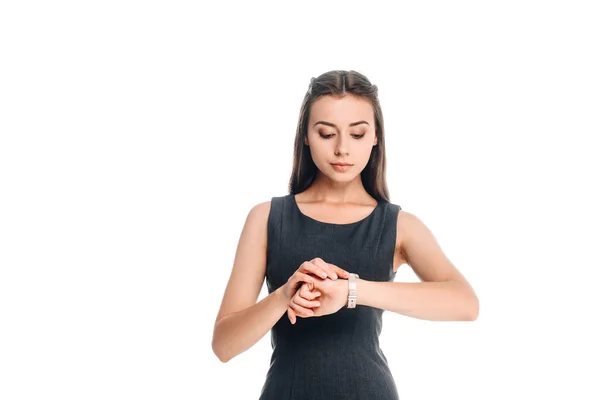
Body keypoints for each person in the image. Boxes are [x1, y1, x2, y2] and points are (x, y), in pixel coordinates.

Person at [212, 70, 479, 399]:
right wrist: (283, 296)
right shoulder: (267, 218)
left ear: (376, 136)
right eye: (326, 134)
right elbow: (224, 346)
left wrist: (351, 291)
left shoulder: (399, 225)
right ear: (306, 135)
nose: (342, 149)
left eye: (356, 134)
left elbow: (466, 304)